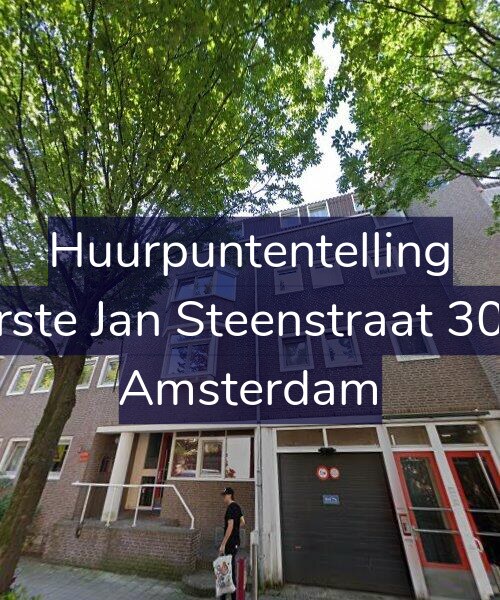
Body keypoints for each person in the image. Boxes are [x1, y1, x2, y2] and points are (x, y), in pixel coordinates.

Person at [219, 487, 245, 600]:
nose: (223, 497)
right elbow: (243, 522)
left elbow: (230, 526)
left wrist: (223, 544)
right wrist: (236, 529)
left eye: (225, 495)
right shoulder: (237, 507)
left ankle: (226, 597)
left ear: (230, 495)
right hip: (235, 542)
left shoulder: (230, 508)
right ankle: (232, 596)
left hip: (229, 544)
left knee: (226, 571)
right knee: (229, 570)